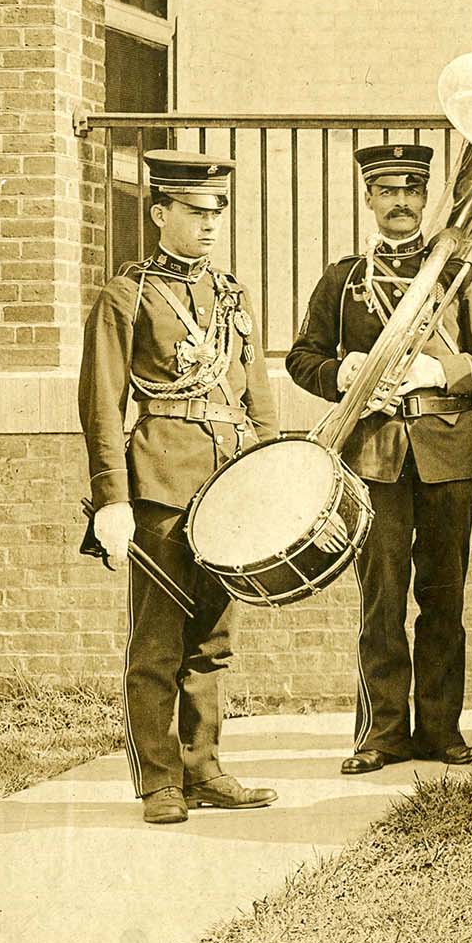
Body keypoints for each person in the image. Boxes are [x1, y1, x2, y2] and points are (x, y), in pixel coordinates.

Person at [289, 141, 472, 776]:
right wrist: (342, 372)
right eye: (386, 191)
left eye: (411, 191)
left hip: (448, 452)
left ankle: (441, 729)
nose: (400, 202)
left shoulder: (458, 275)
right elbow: (301, 357)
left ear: (424, 198)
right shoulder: (343, 280)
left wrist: (438, 369)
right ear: (369, 199)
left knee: (443, 597)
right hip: (374, 456)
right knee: (381, 599)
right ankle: (382, 734)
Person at [78, 150, 283, 826]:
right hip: (161, 481)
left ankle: (202, 769)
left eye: (217, 212)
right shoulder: (126, 294)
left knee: (214, 640)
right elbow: (102, 405)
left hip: (226, 487)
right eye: (197, 212)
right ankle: (158, 780)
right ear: (160, 212)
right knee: (158, 642)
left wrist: (270, 472)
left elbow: (258, 397)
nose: (210, 224)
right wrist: (112, 497)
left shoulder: (231, 294)